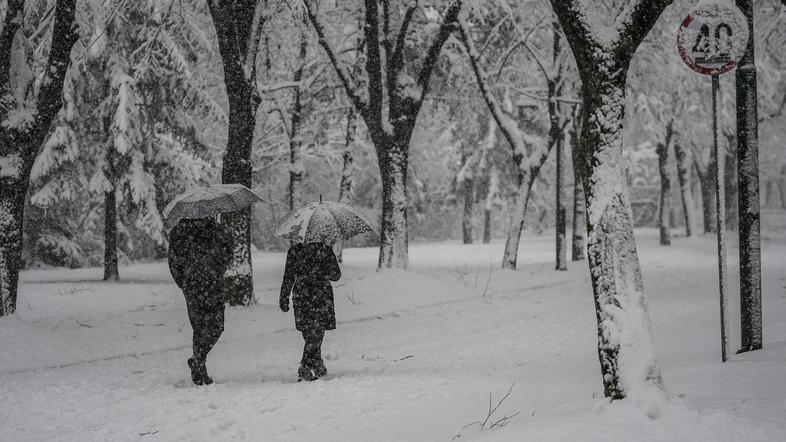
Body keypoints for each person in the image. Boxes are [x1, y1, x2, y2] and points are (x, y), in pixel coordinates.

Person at [168, 217, 233, 385]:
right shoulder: (218, 230)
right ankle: (199, 360)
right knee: (216, 326)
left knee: (199, 327)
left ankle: (200, 365)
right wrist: (216, 270)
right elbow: (228, 256)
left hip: (192, 286)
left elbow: (173, 262)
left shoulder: (179, 231)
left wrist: (183, 282)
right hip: (212, 283)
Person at [279, 238, 341, 381]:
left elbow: (289, 277)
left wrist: (284, 297)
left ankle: (317, 364)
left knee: (310, 333)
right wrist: (323, 269)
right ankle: (306, 367)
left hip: (302, 296)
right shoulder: (325, 250)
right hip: (321, 296)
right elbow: (336, 276)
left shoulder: (295, 251)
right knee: (316, 333)